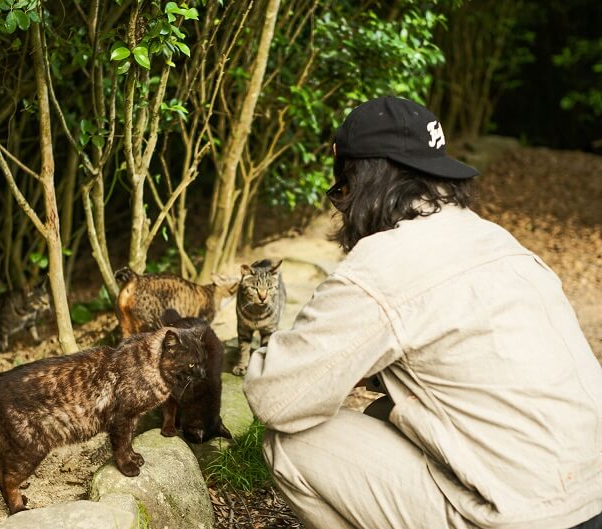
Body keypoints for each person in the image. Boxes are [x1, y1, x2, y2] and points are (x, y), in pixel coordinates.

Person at [242, 96, 602, 529]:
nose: (341, 208)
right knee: (383, 414)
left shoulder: (382, 264)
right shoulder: (496, 241)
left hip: (526, 516)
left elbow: (275, 398)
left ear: (361, 184)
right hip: (588, 495)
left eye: (340, 192)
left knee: (291, 441)